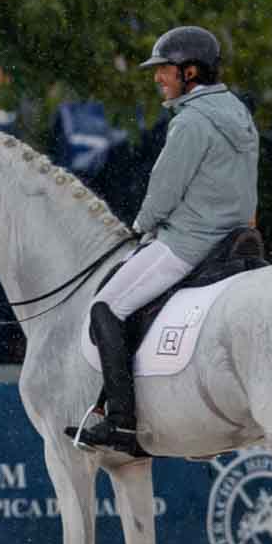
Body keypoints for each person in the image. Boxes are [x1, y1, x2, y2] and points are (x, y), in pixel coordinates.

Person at [72, 25, 258, 452]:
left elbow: (165, 190)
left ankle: (120, 422)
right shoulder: (239, 113)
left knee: (106, 307)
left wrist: (141, 225)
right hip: (235, 239)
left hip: (188, 243)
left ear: (190, 73)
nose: (158, 77)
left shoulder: (191, 122)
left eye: (165, 70)